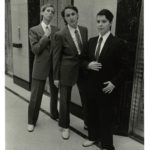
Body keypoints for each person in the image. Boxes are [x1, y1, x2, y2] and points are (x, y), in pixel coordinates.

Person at [82, 9, 129, 150]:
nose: (100, 25)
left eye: (104, 22)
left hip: (107, 87)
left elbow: (125, 68)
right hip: (91, 86)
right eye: (98, 22)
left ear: (110, 23)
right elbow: (81, 60)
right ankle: (92, 137)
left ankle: (108, 145)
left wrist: (114, 82)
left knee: (106, 117)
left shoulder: (118, 43)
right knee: (92, 114)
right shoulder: (91, 41)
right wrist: (88, 64)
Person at [53, 5, 88, 139]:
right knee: (64, 100)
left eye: (73, 14)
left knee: (86, 96)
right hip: (66, 71)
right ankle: (65, 126)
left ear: (77, 15)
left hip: (83, 70)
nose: (71, 17)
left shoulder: (84, 30)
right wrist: (56, 77)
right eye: (67, 16)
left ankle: (87, 122)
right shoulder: (60, 34)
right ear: (65, 19)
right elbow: (56, 57)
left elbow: (85, 52)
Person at [27, 4, 59, 132]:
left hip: (54, 66)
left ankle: (54, 114)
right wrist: (45, 36)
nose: (50, 13)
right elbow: (35, 50)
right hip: (40, 67)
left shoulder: (57, 29)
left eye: (52, 12)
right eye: (48, 11)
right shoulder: (34, 30)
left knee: (55, 93)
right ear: (42, 12)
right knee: (36, 95)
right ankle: (31, 121)